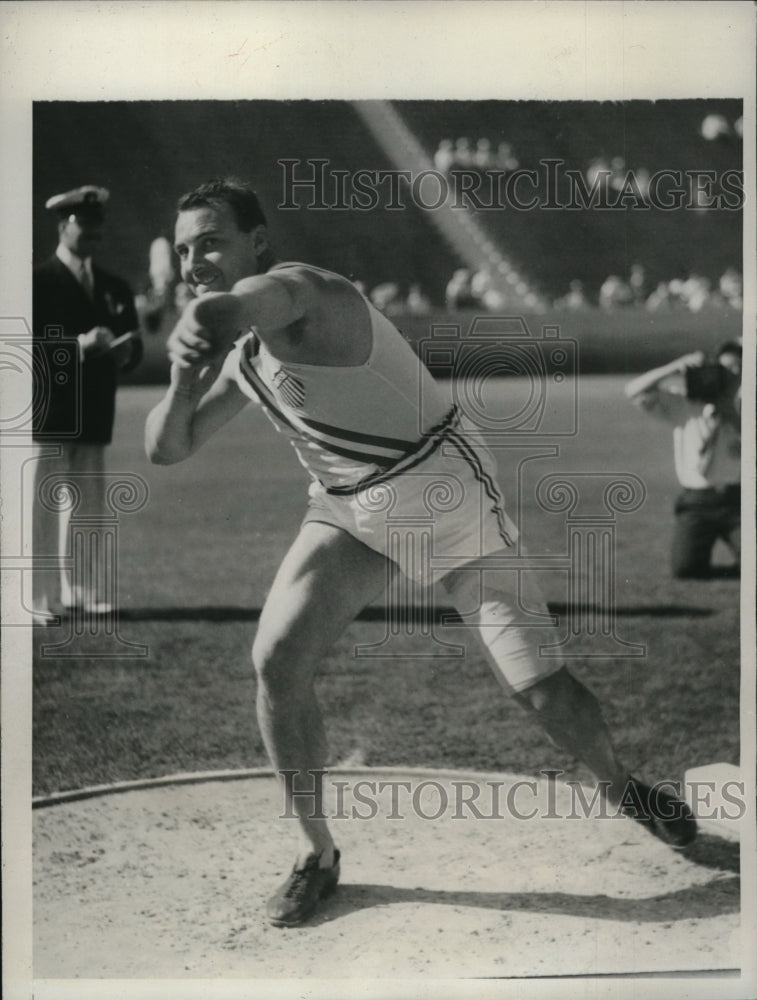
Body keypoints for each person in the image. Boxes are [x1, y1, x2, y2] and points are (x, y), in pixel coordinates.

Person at [145, 178, 696, 928]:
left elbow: (235, 305)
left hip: (444, 492)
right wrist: (182, 377)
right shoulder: (241, 358)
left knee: (540, 693)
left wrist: (203, 316)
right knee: (276, 660)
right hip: (349, 510)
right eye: (182, 250)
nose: (194, 259)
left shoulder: (305, 291)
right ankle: (317, 854)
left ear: (257, 243)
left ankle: (618, 782)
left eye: (211, 241)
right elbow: (167, 447)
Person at [32, 185, 142, 622]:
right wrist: (79, 346)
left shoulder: (113, 286)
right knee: (40, 509)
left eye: (98, 227)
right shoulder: (37, 281)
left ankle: (83, 589)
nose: (94, 234)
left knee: (88, 507)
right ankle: (39, 598)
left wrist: (124, 352)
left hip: (94, 409)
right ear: (64, 226)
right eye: (85, 225)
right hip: (51, 411)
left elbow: (129, 343)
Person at [625, 344, 741, 578]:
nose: (730, 376)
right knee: (685, 569)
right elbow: (633, 390)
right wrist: (675, 367)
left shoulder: (745, 408)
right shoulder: (685, 405)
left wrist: (733, 416)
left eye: (737, 370)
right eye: (724, 369)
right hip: (697, 502)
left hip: (737, 499)